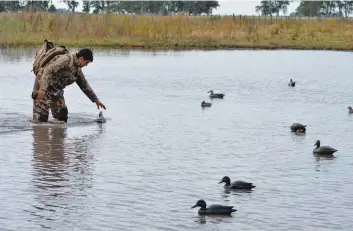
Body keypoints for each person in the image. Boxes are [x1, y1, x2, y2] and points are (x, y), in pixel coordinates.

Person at [32, 48, 106, 123]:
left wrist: (96, 100)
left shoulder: (77, 70)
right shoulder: (66, 60)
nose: (86, 65)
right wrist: (42, 89)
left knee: (62, 116)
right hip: (43, 85)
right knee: (40, 120)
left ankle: (57, 133)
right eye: (86, 62)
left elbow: (84, 85)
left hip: (56, 89)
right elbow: (48, 70)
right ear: (81, 58)